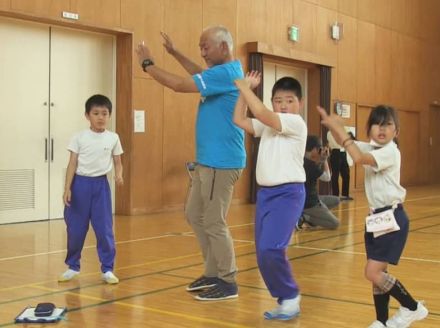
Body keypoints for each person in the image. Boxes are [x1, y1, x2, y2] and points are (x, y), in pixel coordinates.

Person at [136, 26, 245, 301]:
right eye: (200, 46)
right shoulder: (221, 74)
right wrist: (175, 53)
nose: (202, 51)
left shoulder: (227, 72)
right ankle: (212, 272)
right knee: (194, 214)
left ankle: (227, 279)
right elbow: (200, 73)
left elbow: (178, 84)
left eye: (206, 46)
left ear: (224, 47)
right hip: (207, 162)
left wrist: (148, 64)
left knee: (213, 221)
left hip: (222, 163)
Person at [317, 105, 428, 328]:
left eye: (388, 124)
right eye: (377, 124)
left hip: (392, 217)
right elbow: (349, 145)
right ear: (370, 129)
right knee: (379, 273)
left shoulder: (390, 151)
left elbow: (357, 157)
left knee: (372, 272)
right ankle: (382, 321)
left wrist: (343, 132)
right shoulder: (374, 148)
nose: (382, 129)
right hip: (377, 218)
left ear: (396, 132)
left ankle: (412, 307)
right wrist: (335, 127)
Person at [233, 72, 307, 320]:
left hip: (289, 193)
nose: (283, 105)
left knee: (272, 248)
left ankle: (291, 295)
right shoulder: (267, 126)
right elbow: (239, 119)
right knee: (263, 254)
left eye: (289, 100)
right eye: (278, 100)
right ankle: (285, 299)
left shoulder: (296, 123)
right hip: (266, 195)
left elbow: (264, 114)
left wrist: (245, 88)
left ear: (300, 104)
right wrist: (245, 91)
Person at [59, 94, 124, 284]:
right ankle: (72, 266)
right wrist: (67, 188)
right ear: (87, 115)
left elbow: (118, 162)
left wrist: (119, 174)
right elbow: (72, 163)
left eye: (105, 113)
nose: (101, 117)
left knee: (104, 229)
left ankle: (107, 269)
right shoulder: (79, 137)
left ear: (109, 115)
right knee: (76, 229)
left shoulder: (113, 137)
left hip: (101, 187)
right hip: (80, 185)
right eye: (96, 113)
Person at [298, 135, 340, 230]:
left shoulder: (301, 160)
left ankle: (314, 215)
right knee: (335, 223)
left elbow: (316, 170)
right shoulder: (311, 165)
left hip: (305, 199)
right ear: (314, 149)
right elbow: (327, 177)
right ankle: (305, 217)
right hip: (310, 203)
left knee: (336, 200)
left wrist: (321, 160)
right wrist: (325, 159)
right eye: (319, 149)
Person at [327, 128, 353, 200]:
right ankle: (335, 196)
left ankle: (345, 195)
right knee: (335, 175)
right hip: (336, 152)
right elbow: (339, 143)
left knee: (346, 174)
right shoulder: (330, 132)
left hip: (343, 152)